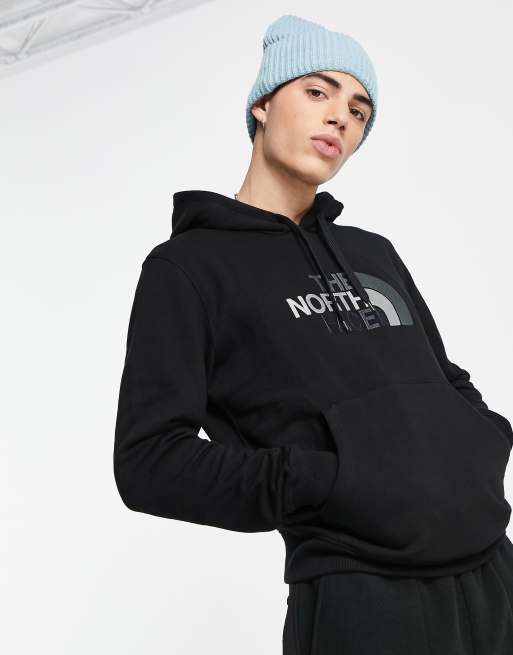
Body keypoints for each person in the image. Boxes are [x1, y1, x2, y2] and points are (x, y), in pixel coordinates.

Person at [113, 13, 513, 654]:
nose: (339, 119)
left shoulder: (372, 252)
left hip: (495, 571)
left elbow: (443, 377)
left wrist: (485, 438)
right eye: (317, 91)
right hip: (366, 597)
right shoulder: (187, 269)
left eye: (358, 111)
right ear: (263, 104)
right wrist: (316, 481)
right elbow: (149, 462)